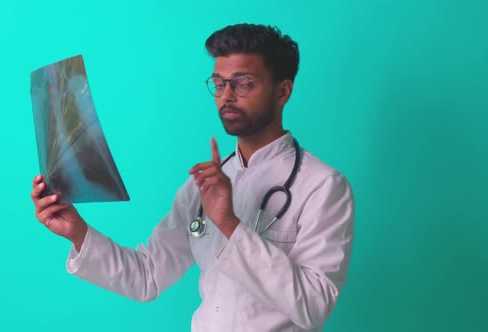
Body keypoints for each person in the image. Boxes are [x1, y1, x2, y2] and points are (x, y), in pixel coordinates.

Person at [30, 23, 354, 332]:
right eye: (219, 83)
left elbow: (314, 305)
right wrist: (79, 233)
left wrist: (228, 223)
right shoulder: (203, 185)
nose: (227, 95)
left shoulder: (323, 186)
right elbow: (147, 276)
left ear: (282, 92)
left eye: (243, 84)